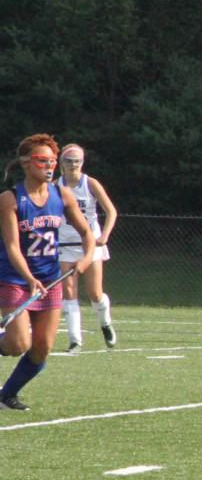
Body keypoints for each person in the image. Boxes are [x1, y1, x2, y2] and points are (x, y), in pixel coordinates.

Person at [0, 133, 94, 410]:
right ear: (26, 163)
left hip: (51, 280)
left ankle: (6, 395)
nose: (50, 166)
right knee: (18, 343)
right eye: (43, 160)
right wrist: (29, 279)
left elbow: (87, 233)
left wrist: (86, 258)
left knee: (41, 348)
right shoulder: (10, 199)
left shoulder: (62, 195)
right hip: (15, 279)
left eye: (53, 161)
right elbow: (13, 247)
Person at [56, 144, 119, 353]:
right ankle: (75, 341)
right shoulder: (55, 186)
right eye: (69, 160)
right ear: (61, 163)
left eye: (77, 161)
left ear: (82, 163)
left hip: (90, 244)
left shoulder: (90, 183)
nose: (73, 165)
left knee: (94, 292)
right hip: (65, 244)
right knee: (69, 292)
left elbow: (111, 211)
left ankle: (105, 323)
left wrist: (104, 236)